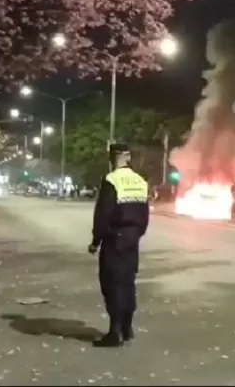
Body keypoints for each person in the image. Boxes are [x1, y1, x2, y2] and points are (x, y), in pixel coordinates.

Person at [88, 143, 150, 348]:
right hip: (132, 239)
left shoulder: (111, 180)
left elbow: (103, 213)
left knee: (112, 283)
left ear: (111, 158)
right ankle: (127, 327)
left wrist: (96, 241)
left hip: (115, 238)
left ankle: (115, 332)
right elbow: (144, 214)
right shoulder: (140, 181)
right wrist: (136, 234)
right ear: (129, 157)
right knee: (128, 282)